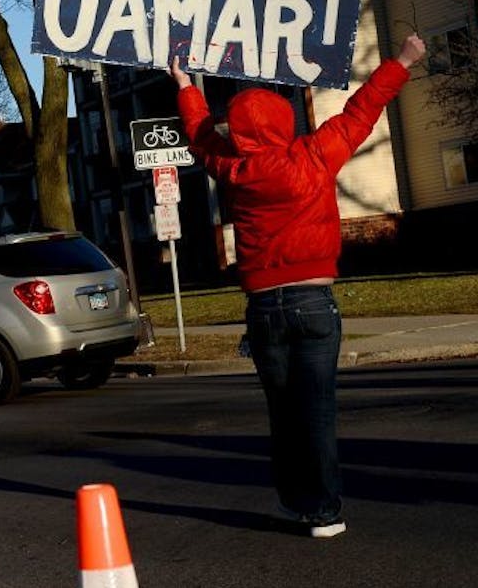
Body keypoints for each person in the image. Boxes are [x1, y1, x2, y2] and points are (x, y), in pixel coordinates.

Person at [169, 33, 426, 538]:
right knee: (317, 411)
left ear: (238, 133)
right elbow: (361, 111)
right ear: (284, 124)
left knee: (283, 413)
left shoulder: (233, 169)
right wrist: (401, 61)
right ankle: (325, 513)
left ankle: (297, 501)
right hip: (312, 302)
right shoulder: (313, 157)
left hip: (263, 308)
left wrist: (184, 84)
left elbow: (200, 136)